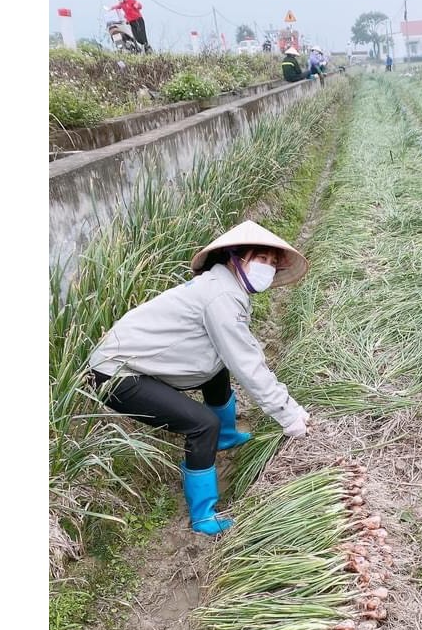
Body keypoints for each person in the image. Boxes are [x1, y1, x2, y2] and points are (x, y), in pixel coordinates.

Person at [88, 220, 312, 535]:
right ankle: (203, 514)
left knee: (217, 367)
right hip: (115, 374)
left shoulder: (225, 287)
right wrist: (287, 412)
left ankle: (226, 438)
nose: (268, 268)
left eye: (274, 264)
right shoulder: (220, 295)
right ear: (236, 256)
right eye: (262, 259)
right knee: (202, 425)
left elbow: (237, 351)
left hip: (134, 359)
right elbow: (247, 364)